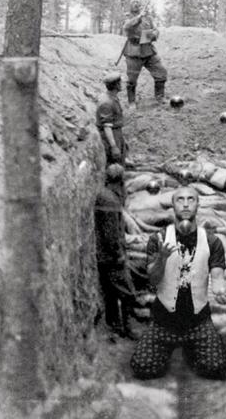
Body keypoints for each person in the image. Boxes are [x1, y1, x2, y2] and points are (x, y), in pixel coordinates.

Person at [130, 187, 226, 380]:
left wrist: (220, 290)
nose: (185, 204)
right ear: (172, 205)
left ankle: (192, 349)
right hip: (164, 322)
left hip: (197, 322)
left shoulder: (212, 242)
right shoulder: (157, 239)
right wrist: (162, 258)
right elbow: (153, 279)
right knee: (142, 367)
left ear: (198, 205)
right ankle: (167, 348)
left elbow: (218, 276)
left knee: (216, 368)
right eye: (180, 200)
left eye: (191, 199)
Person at [94, 73, 139, 340]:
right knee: (127, 291)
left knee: (113, 292)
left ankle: (113, 322)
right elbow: (111, 233)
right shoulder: (110, 203)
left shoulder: (106, 197)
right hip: (112, 257)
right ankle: (126, 327)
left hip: (109, 255)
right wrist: (113, 147)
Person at [122, 0, 168, 109]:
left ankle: (160, 97)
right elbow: (127, 27)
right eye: (134, 3)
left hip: (148, 50)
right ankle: (131, 102)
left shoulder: (148, 18)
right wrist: (139, 18)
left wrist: (152, 35)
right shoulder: (127, 17)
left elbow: (156, 30)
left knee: (161, 72)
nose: (136, 5)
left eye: (138, 3)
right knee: (132, 79)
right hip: (133, 52)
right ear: (130, 6)